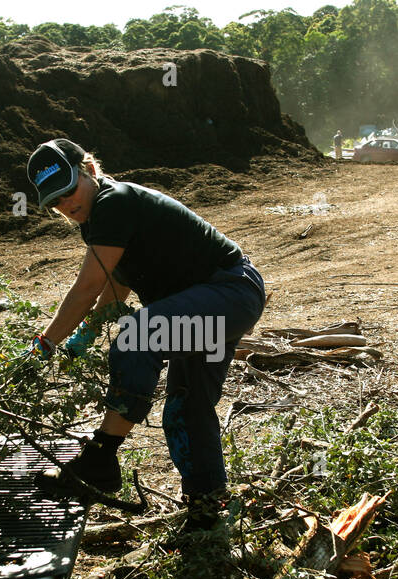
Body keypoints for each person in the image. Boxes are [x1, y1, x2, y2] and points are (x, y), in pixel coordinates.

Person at [24, 139, 266, 536]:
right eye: (55, 202)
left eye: (69, 190)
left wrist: (44, 344)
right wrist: (84, 336)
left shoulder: (113, 201)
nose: (66, 204)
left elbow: (86, 289)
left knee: (138, 334)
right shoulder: (102, 216)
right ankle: (207, 509)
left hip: (228, 293)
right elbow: (116, 287)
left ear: (88, 169)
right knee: (186, 408)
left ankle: (101, 458)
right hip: (209, 306)